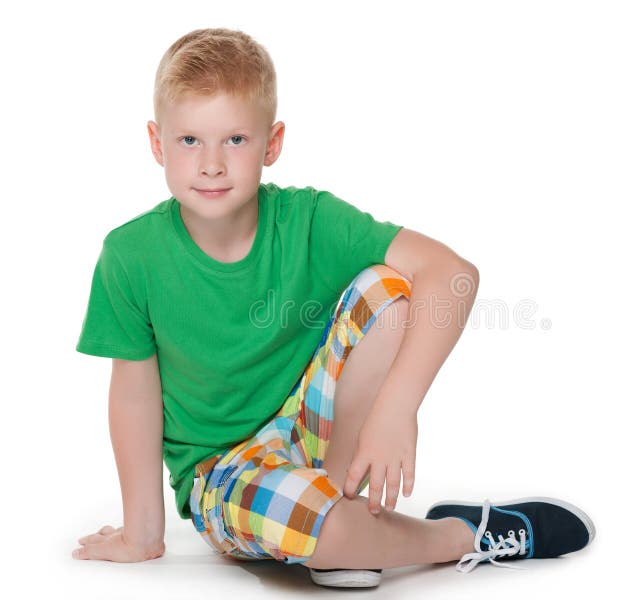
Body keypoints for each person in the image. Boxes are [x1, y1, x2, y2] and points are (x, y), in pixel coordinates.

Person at [71, 27, 595, 588]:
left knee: (389, 289)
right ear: (157, 143)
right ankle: (460, 535)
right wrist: (141, 532)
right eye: (190, 141)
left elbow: (454, 276)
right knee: (327, 533)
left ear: (272, 144)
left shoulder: (309, 219)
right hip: (222, 473)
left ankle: (344, 506)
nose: (213, 164)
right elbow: (132, 393)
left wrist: (398, 408)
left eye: (237, 140)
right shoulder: (131, 256)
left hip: (307, 431)